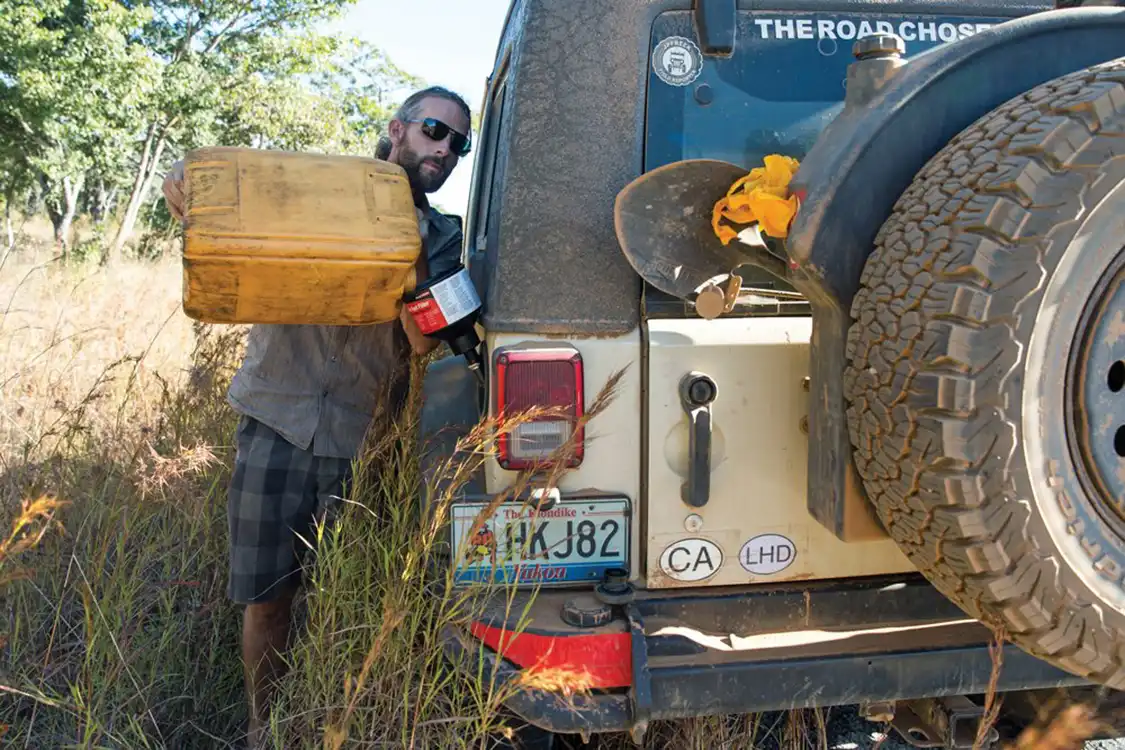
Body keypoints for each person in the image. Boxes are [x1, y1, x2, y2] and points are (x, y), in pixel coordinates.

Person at [162, 85, 473, 748]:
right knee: (267, 598)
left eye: (457, 144)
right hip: (276, 419)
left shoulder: (446, 240)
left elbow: (424, 343)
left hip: (365, 443)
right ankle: (261, 730)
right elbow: (222, 197)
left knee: (350, 603)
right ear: (396, 129)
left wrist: (407, 255)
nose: (443, 149)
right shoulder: (312, 190)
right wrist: (185, 182)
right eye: (432, 131)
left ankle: (334, 723)